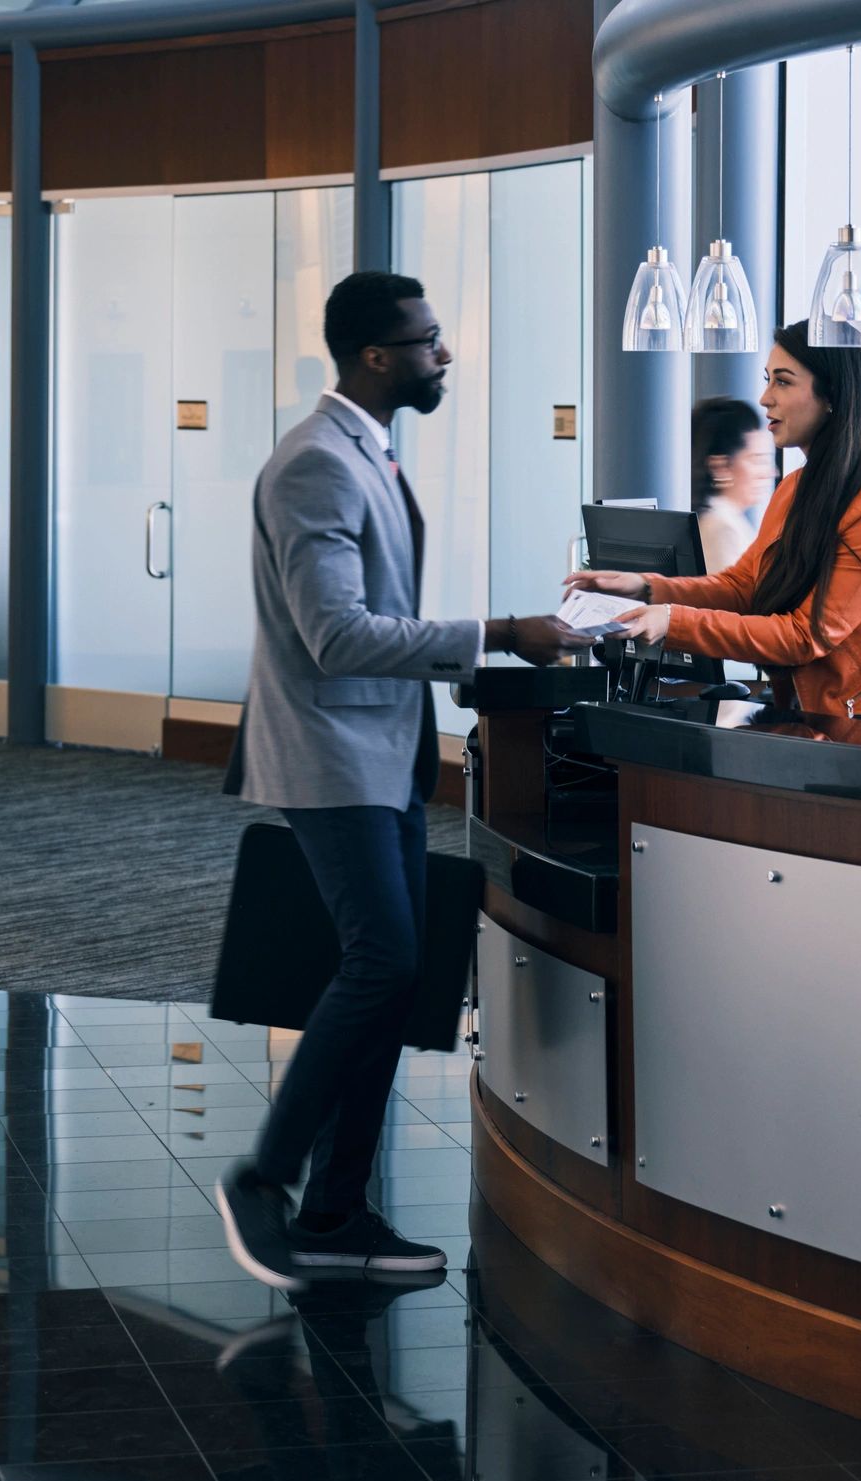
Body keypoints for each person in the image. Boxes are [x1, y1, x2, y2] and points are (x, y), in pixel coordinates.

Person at [217, 271, 590, 1291]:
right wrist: (497, 632)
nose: (444, 355)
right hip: (330, 754)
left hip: (373, 752)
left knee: (393, 971)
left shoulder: (361, 451)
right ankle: (266, 1178)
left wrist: (477, 663)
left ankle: (336, 1210)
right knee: (382, 964)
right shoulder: (316, 467)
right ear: (376, 358)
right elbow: (334, 635)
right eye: (428, 342)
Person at [567, 321, 861, 730]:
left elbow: (808, 635)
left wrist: (670, 621)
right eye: (768, 380)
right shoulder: (799, 487)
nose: (765, 398)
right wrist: (646, 588)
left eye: (783, 382)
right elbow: (746, 587)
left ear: (832, 396)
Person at [691, 396, 770, 573]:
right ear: (721, 467)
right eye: (757, 460)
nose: (770, 473)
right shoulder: (721, 528)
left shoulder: (724, 519)